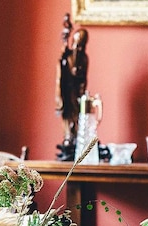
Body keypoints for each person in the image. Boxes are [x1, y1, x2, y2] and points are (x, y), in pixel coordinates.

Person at [56, 18, 88, 160]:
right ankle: (68, 138)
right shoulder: (67, 57)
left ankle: (74, 137)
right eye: (76, 44)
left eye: (81, 45)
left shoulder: (84, 58)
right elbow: (61, 73)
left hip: (76, 92)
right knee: (67, 115)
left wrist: (81, 92)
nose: (78, 49)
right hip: (66, 91)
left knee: (77, 116)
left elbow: (83, 78)